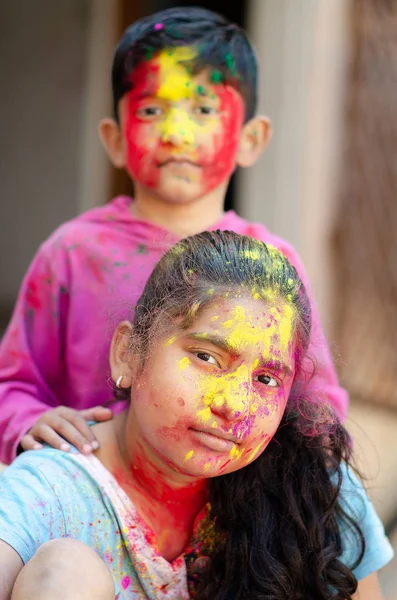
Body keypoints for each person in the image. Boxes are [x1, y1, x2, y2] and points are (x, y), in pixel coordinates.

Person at [0, 6, 348, 465]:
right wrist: (27, 422)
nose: (177, 133)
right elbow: (14, 384)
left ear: (251, 138)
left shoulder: (272, 266)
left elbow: (315, 405)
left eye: (204, 109)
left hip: (223, 514)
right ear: (115, 140)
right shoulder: (72, 252)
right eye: (151, 109)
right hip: (89, 491)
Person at [0, 232, 392, 600]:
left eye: (267, 378)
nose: (234, 406)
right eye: (206, 357)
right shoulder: (46, 493)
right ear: (128, 353)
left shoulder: (311, 490)